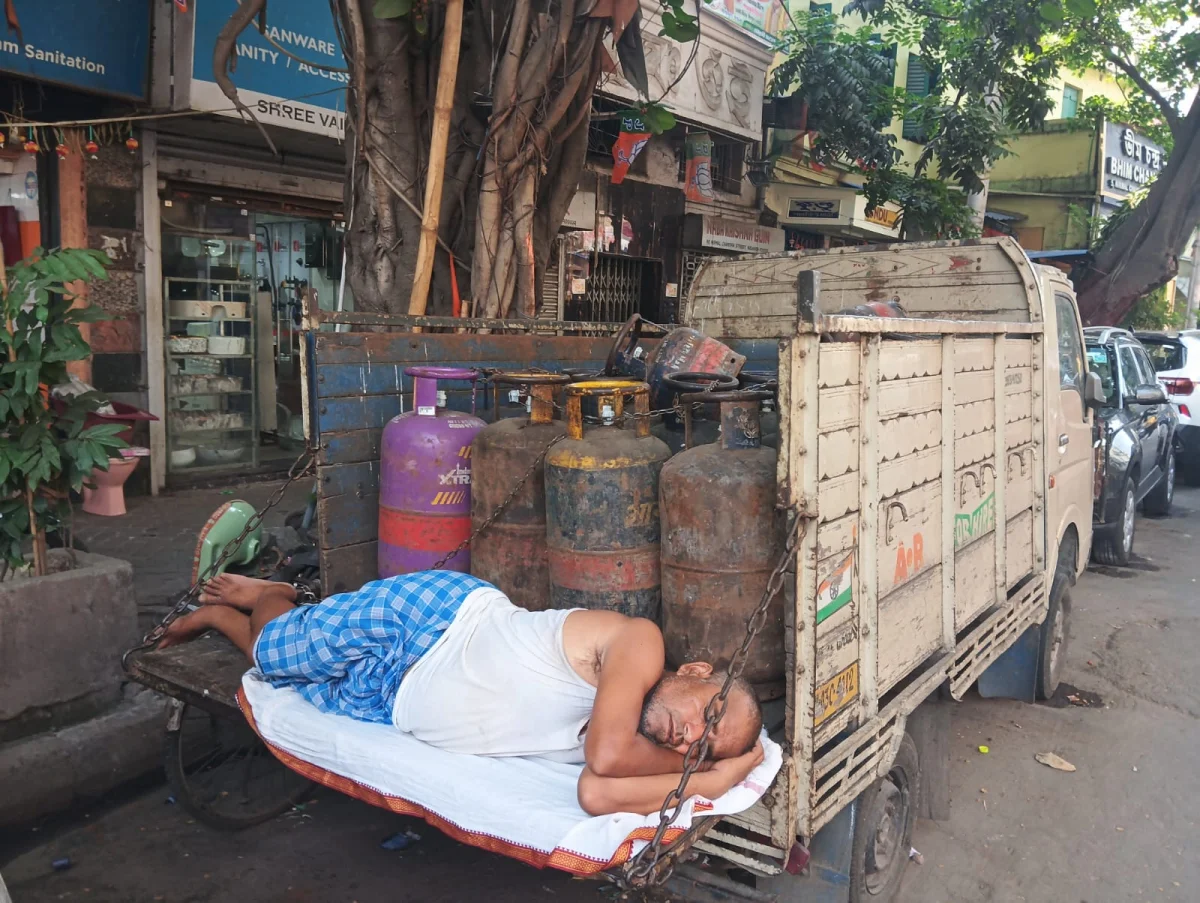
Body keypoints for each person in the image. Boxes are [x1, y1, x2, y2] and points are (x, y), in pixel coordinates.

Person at [160, 570, 766, 816]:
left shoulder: (643, 749)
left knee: (281, 674)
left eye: (703, 746)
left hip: (391, 699)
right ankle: (271, 593)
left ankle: (232, 619)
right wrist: (708, 773)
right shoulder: (640, 642)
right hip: (431, 622)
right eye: (708, 713)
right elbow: (604, 759)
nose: (691, 734)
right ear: (695, 670)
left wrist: (712, 781)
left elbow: (593, 792)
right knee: (273, 651)